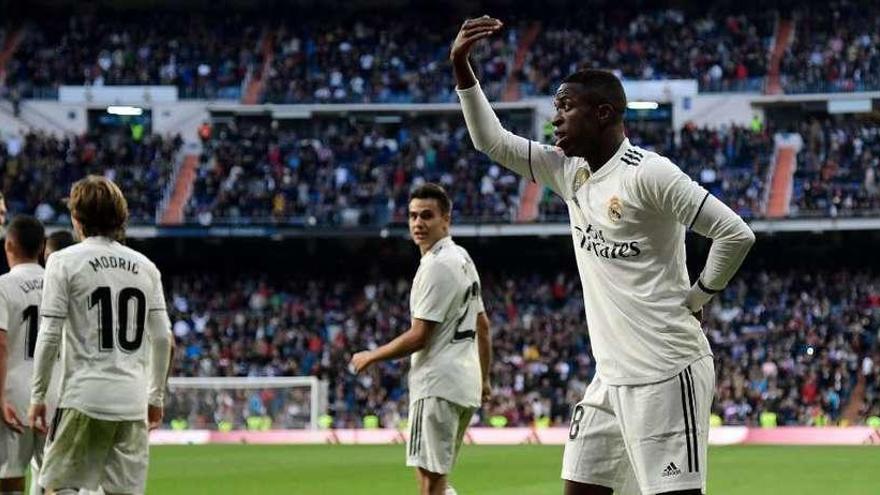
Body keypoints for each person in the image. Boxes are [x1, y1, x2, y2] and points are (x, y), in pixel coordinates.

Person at [452, 16, 755, 495]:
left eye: (566, 107)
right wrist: (461, 68)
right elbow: (490, 141)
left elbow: (735, 234)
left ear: (604, 113)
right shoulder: (567, 171)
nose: (556, 118)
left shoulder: (649, 174)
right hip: (609, 377)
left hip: (665, 371)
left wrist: (698, 298)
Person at [27, 176, 174, 495]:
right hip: (132, 401)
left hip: (84, 397)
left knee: (54, 487)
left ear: (76, 219)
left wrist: (38, 397)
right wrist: (155, 397)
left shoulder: (62, 262)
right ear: (120, 216)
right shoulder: (146, 267)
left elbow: (50, 333)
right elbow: (163, 337)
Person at [350, 183, 492, 495]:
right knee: (436, 480)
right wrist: (483, 380)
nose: (418, 223)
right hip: (462, 384)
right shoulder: (462, 257)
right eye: (413, 216)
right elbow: (483, 325)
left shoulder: (436, 265)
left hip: (437, 384)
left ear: (446, 220)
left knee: (429, 483)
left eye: (427, 216)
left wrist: (371, 356)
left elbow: (419, 336)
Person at [0, 216, 46, 495]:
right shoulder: (59, 282)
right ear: (42, 247)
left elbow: (1, 345)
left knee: (9, 479)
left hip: (14, 391)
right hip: (54, 393)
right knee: (56, 480)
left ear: (9, 245)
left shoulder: (3, 286)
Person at [29, 229, 77, 495]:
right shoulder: (83, 288)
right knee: (56, 473)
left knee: (45, 471)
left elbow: (46, 339)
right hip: (69, 390)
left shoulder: (50, 286)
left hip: (45, 390)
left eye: (47, 254)